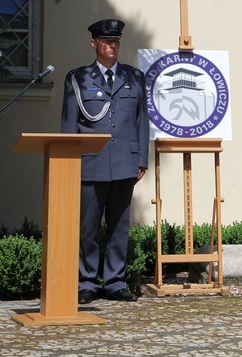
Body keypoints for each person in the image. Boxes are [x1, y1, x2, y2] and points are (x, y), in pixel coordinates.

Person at [61, 18, 149, 304]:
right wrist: (67, 161)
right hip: (90, 163)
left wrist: (142, 159)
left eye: (117, 41)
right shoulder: (77, 79)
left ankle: (115, 282)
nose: (113, 46)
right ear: (94, 43)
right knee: (88, 228)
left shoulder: (134, 77)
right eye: (108, 41)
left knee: (119, 227)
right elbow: (68, 124)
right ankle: (87, 282)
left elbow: (141, 121)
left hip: (125, 163)